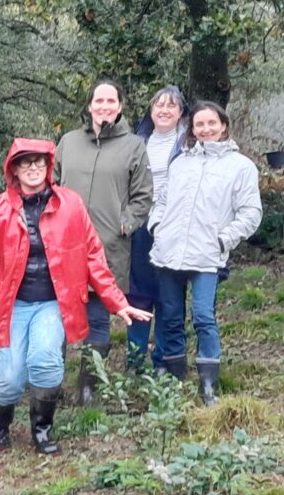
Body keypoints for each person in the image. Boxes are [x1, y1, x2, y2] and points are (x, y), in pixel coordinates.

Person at [0, 138, 150, 455]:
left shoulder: (71, 205)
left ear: (49, 167)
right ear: (14, 170)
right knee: (9, 377)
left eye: (39, 162)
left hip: (52, 303)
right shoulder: (0, 209)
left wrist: (118, 303)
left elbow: (92, 258)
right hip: (10, 306)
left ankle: (42, 430)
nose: (33, 168)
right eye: (25, 162)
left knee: (45, 361)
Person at [149, 102, 262, 405]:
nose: (206, 129)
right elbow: (161, 200)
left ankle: (208, 383)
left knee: (202, 316)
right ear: (192, 129)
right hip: (168, 253)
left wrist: (225, 239)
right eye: (199, 124)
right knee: (170, 317)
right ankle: (173, 380)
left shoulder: (241, 166)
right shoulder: (180, 163)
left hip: (208, 257)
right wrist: (157, 226)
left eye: (212, 123)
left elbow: (251, 213)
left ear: (223, 125)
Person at [55, 78, 153, 404]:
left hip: (109, 246)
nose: (105, 107)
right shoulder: (68, 142)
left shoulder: (134, 146)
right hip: (63, 248)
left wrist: (124, 224)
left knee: (97, 319)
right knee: (55, 317)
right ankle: (49, 382)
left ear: (120, 106)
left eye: (111, 101)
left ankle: (89, 385)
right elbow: (50, 184)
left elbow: (143, 197)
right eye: (99, 101)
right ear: (89, 105)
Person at [127, 86, 188, 371]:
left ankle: (163, 359)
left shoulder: (188, 144)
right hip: (140, 226)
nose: (164, 110)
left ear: (181, 113)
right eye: (159, 105)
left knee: (168, 294)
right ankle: (134, 360)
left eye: (171, 106)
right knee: (139, 293)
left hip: (174, 228)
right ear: (151, 111)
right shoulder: (137, 142)